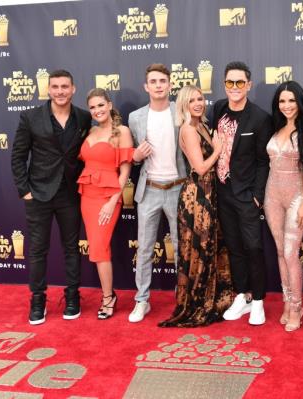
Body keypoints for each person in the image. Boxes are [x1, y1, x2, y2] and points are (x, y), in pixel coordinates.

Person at [11, 69, 92, 325]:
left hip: (70, 194)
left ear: (73, 89)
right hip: (39, 195)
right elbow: (18, 156)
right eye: (55, 87)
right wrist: (25, 190)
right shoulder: (31, 117)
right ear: (48, 90)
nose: (60, 91)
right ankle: (37, 300)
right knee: (37, 250)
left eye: (65, 86)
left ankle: (72, 296)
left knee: (71, 248)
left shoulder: (83, 117)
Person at [159, 85, 233, 327]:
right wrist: (219, 150)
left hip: (210, 193)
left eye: (200, 98)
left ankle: (211, 299)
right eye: (192, 101)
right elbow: (200, 168)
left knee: (210, 246)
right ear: (184, 105)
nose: (198, 103)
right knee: (199, 249)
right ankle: (198, 302)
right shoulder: (189, 130)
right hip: (197, 196)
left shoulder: (202, 125)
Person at [211, 61, 273, 325]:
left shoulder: (259, 118)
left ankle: (258, 301)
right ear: (224, 84)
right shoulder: (218, 109)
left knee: (254, 248)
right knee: (234, 248)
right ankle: (241, 297)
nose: (234, 88)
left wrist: (257, 195)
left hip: (247, 195)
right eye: (229, 82)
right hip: (222, 192)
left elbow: (263, 161)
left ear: (248, 85)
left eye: (239, 83)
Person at [128, 63, 187, 323]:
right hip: (149, 188)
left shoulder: (180, 112)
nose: (159, 85)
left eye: (163, 81)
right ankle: (142, 300)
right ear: (146, 86)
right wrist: (136, 157)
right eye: (153, 81)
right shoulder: (136, 117)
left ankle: (183, 298)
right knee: (144, 249)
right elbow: (132, 157)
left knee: (181, 247)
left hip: (178, 188)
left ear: (170, 84)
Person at [77, 88, 133, 319]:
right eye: (92, 107)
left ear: (109, 105)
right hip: (86, 195)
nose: (97, 110)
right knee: (98, 248)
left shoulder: (122, 131)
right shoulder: (90, 130)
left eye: (101, 105)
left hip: (107, 197)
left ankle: (108, 297)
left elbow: (125, 172)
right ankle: (108, 295)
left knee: (99, 247)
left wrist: (112, 202)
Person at [264, 81, 303, 332]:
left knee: (290, 253)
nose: (286, 106)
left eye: (292, 101)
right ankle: (287, 302)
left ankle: (297, 306)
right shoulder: (276, 128)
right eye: (282, 101)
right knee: (279, 252)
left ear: (300, 102)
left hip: (296, 198)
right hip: (271, 196)